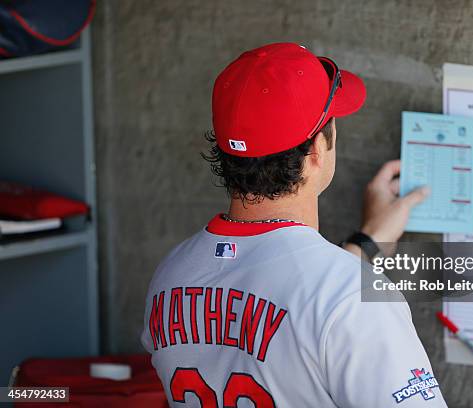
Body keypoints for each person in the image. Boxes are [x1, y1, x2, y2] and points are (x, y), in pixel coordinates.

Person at [142, 42, 446, 407]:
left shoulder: (171, 275)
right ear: (317, 150)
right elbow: (316, 303)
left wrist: (368, 243)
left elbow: (291, 295)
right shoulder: (351, 297)